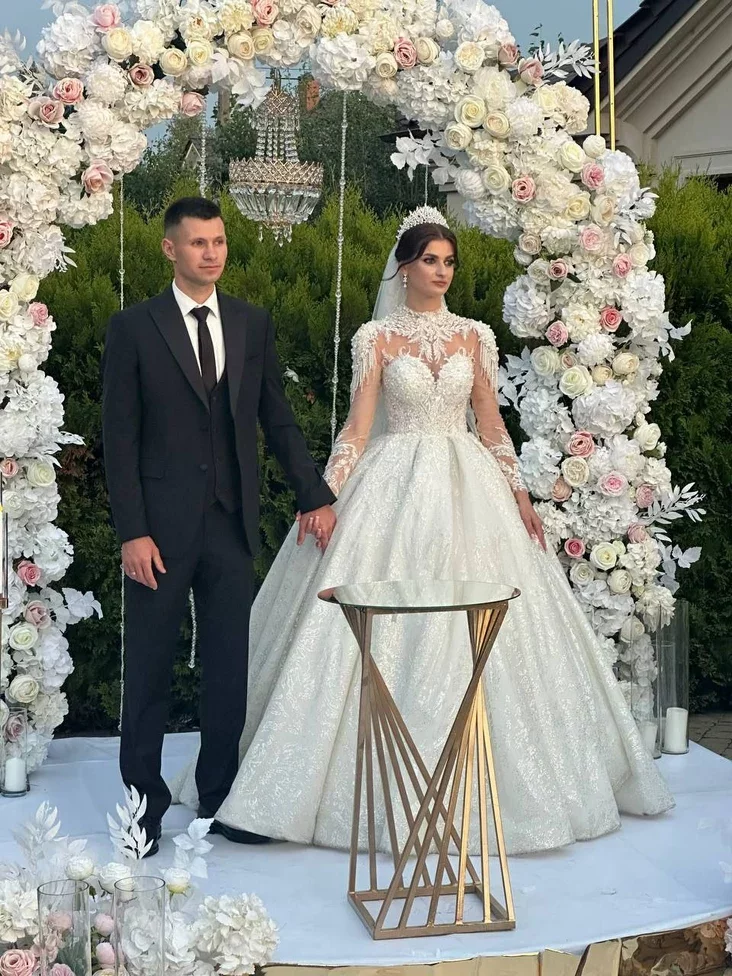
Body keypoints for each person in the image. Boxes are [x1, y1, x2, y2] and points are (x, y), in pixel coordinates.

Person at [174, 205, 673, 855]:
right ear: (404, 268)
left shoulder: (474, 336)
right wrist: (324, 495)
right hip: (391, 483)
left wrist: (520, 496)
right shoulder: (376, 338)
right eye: (430, 260)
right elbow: (357, 429)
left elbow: (490, 424)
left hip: (471, 489)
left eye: (449, 262)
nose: (441, 272)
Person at [102, 196, 336, 856]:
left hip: (230, 524)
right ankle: (142, 808)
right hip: (158, 531)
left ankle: (220, 795)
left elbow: (276, 417)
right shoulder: (134, 327)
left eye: (219, 241)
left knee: (229, 668)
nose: (212, 252)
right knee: (148, 668)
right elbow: (119, 438)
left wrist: (314, 495)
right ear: (170, 249)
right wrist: (131, 532)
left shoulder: (250, 323)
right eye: (199, 242)